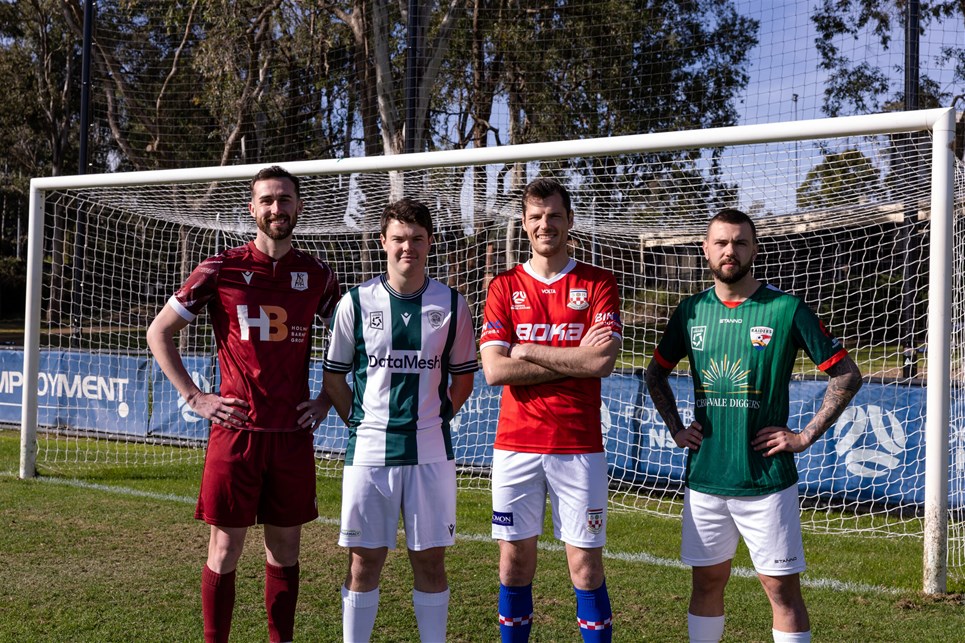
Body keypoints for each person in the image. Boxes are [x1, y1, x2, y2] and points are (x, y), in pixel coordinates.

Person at [644, 208, 863, 643]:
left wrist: (804, 436)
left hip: (766, 479)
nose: (731, 251)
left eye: (740, 242)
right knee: (706, 583)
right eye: (722, 242)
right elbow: (655, 374)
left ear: (755, 249)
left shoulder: (786, 309)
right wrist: (676, 428)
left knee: (780, 590)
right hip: (706, 477)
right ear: (706, 249)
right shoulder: (690, 312)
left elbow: (847, 374)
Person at [146, 166, 340, 643]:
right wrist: (194, 396)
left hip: (292, 435)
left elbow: (351, 341)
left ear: (299, 207)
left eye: (285, 199)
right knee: (225, 548)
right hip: (236, 434)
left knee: (286, 550)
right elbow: (159, 332)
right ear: (252, 209)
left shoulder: (318, 276)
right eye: (267, 200)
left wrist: (325, 400)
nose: (277, 208)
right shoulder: (220, 269)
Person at [323, 197, 478, 643]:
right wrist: (360, 423)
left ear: (429, 243)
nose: (407, 247)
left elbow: (464, 380)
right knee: (363, 561)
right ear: (382, 242)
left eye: (416, 239)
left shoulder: (453, 304)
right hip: (370, 452)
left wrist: (434, 420)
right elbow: (334, 377)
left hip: (430, 453)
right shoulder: (355, 303)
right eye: (398, 239)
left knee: (430, 562)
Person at [479, 177, 622, 643]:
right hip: (515, 445)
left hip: (578, 445)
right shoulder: (504, 286)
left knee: (585, 567)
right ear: (525, 224)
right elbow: (495, 371)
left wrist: (527, 350)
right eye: (536, 217)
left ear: (570, 220)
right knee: (513, 563)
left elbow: (600, 362)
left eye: (555, 215)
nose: (546, 224)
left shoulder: (598, 282)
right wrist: (571, 359)